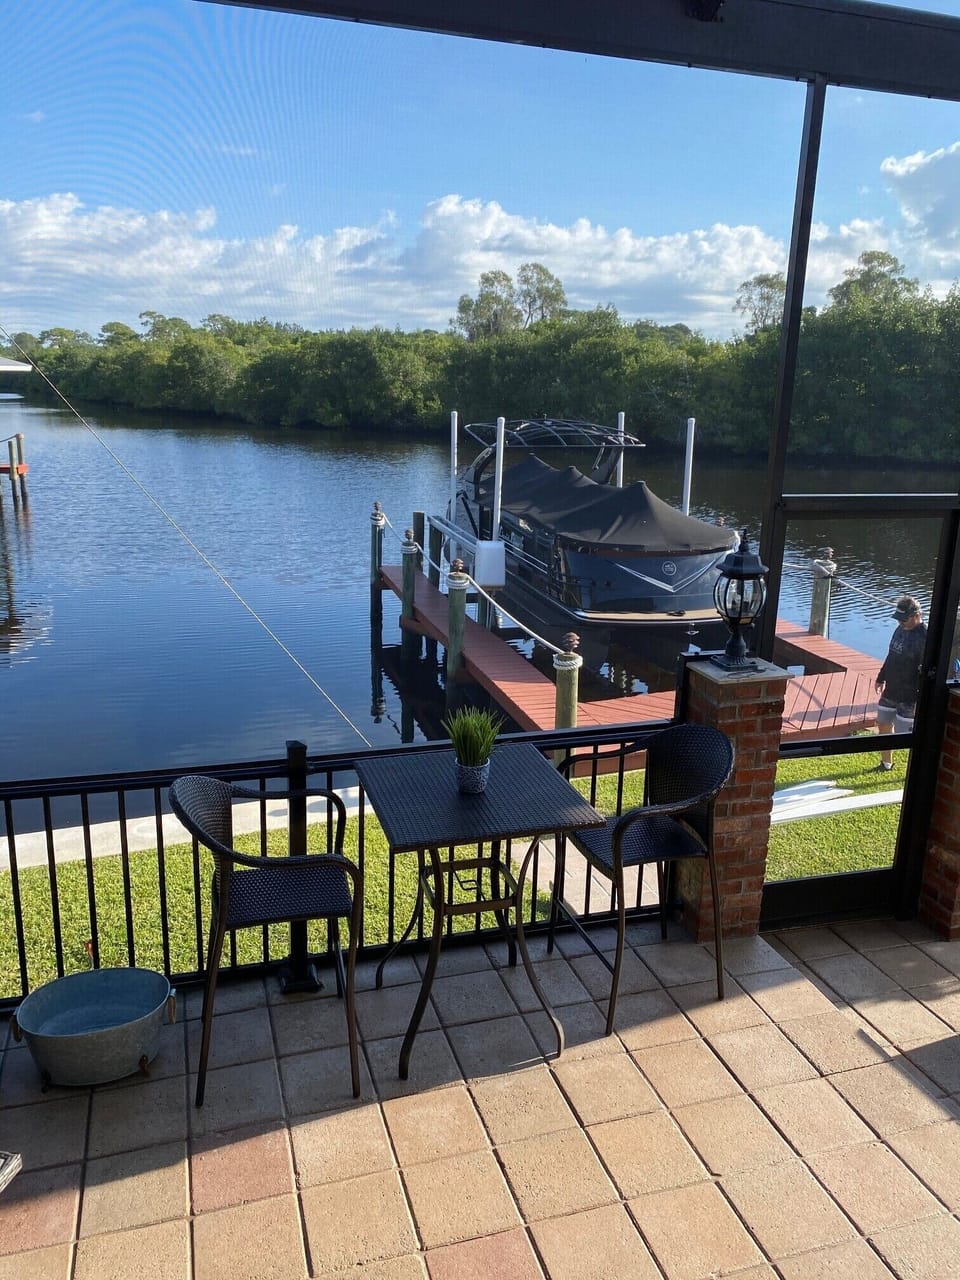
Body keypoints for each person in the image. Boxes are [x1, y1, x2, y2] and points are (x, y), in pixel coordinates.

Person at [874, 595, 926, 771]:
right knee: (883, 723)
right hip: (891, 689)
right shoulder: (899, 630)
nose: (900, 623)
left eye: (903, 620)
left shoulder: (926, 637)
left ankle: (915, 771)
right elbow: (891, 654)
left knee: (907, 735)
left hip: (910, 695)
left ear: (916, 616)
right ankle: (886, 763)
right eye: (899, 619)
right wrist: (881, 677)